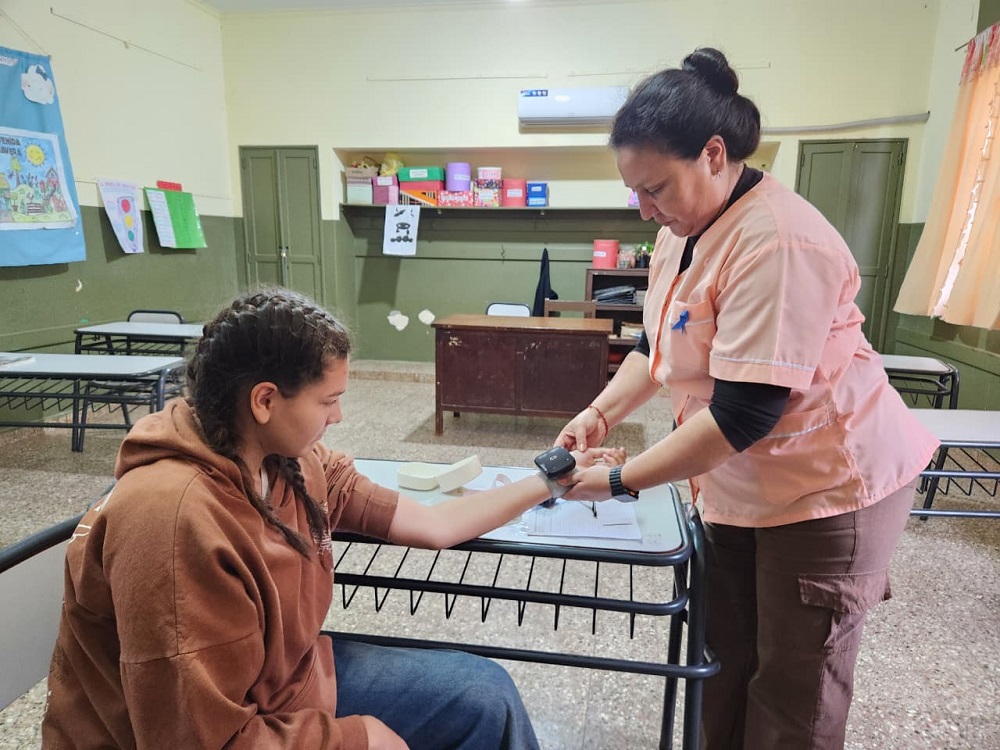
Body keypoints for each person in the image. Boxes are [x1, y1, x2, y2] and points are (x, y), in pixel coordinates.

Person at [554, 48, 940, 749]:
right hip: (735, 483)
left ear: (712, 153)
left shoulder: (779, 241)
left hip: (825, 486)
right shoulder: (685, 230)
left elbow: (745, 412)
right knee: (723, 660)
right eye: (634, 192)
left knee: (794, 687)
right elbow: (659, 349)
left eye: (656, 189)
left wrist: (614, 480)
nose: (645, 210)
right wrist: (600, 412)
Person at [42, 287, 622, 750]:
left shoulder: (294, 461)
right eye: (327, 401)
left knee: (484, 696)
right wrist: (353, 738)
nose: (340, 416)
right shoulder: (169, 520)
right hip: (220, 726)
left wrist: (549, 479)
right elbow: (201, 739)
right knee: (469, 703)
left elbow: (436, 525)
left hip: (283, 686)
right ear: (265, 400)